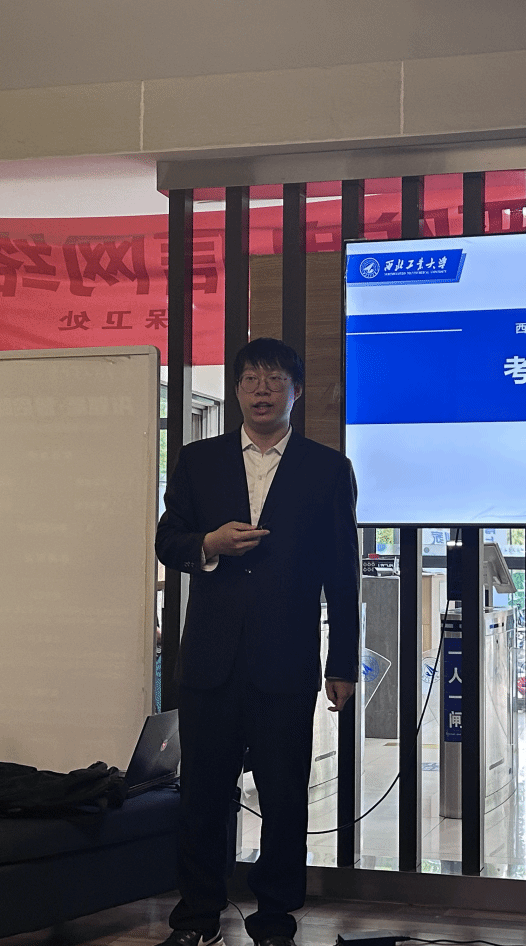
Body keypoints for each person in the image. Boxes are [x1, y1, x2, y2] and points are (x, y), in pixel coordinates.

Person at [155, 338, 360, 946]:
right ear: (238, 390)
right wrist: (208, 545)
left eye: (274, 380)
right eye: (250, 380)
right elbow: (168, 540)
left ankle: (275, 920)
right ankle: (197, 919)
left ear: (296, 391)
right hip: (211, 660)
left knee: (283, 795)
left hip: (285, 659)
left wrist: (342, 663)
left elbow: (342, 573)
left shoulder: (327, 469)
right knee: (203, 795)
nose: (261, 390)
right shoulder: (198, 460)